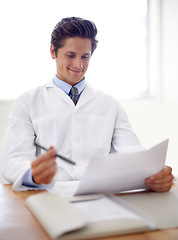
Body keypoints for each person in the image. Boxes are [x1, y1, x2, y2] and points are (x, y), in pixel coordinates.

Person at [2, 17, 174, 192]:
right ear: (53, 52)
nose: (79, 64)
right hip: (49, 193)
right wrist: (32, 174)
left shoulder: (109, 103)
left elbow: (131, 150)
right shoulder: (28, 102)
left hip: (98, 193)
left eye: (85, 56)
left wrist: (154, 172)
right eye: (71, 55)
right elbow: (12, 160)